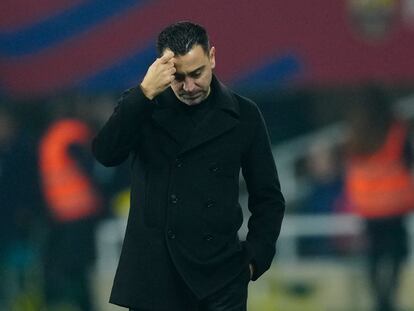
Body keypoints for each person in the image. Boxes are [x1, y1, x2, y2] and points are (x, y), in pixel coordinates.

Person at [92, 21, 285, 311]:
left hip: (221, 280)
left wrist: (254, 262)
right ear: (162, 70)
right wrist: (143, 93)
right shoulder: (143, 107)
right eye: (178, 77)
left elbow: (268, 197)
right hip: (154, 281)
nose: (190, 86)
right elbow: (105, 153)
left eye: (197, 73)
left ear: (213, 58)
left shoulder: (243, 114)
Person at [344, 86, 414, 311]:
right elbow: (408, 161)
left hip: (367, 205)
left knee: (373, 253)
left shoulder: (356, 132)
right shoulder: (395, 131)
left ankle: (378, 300)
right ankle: (388, 299)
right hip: (394, 204)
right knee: (396, 252)